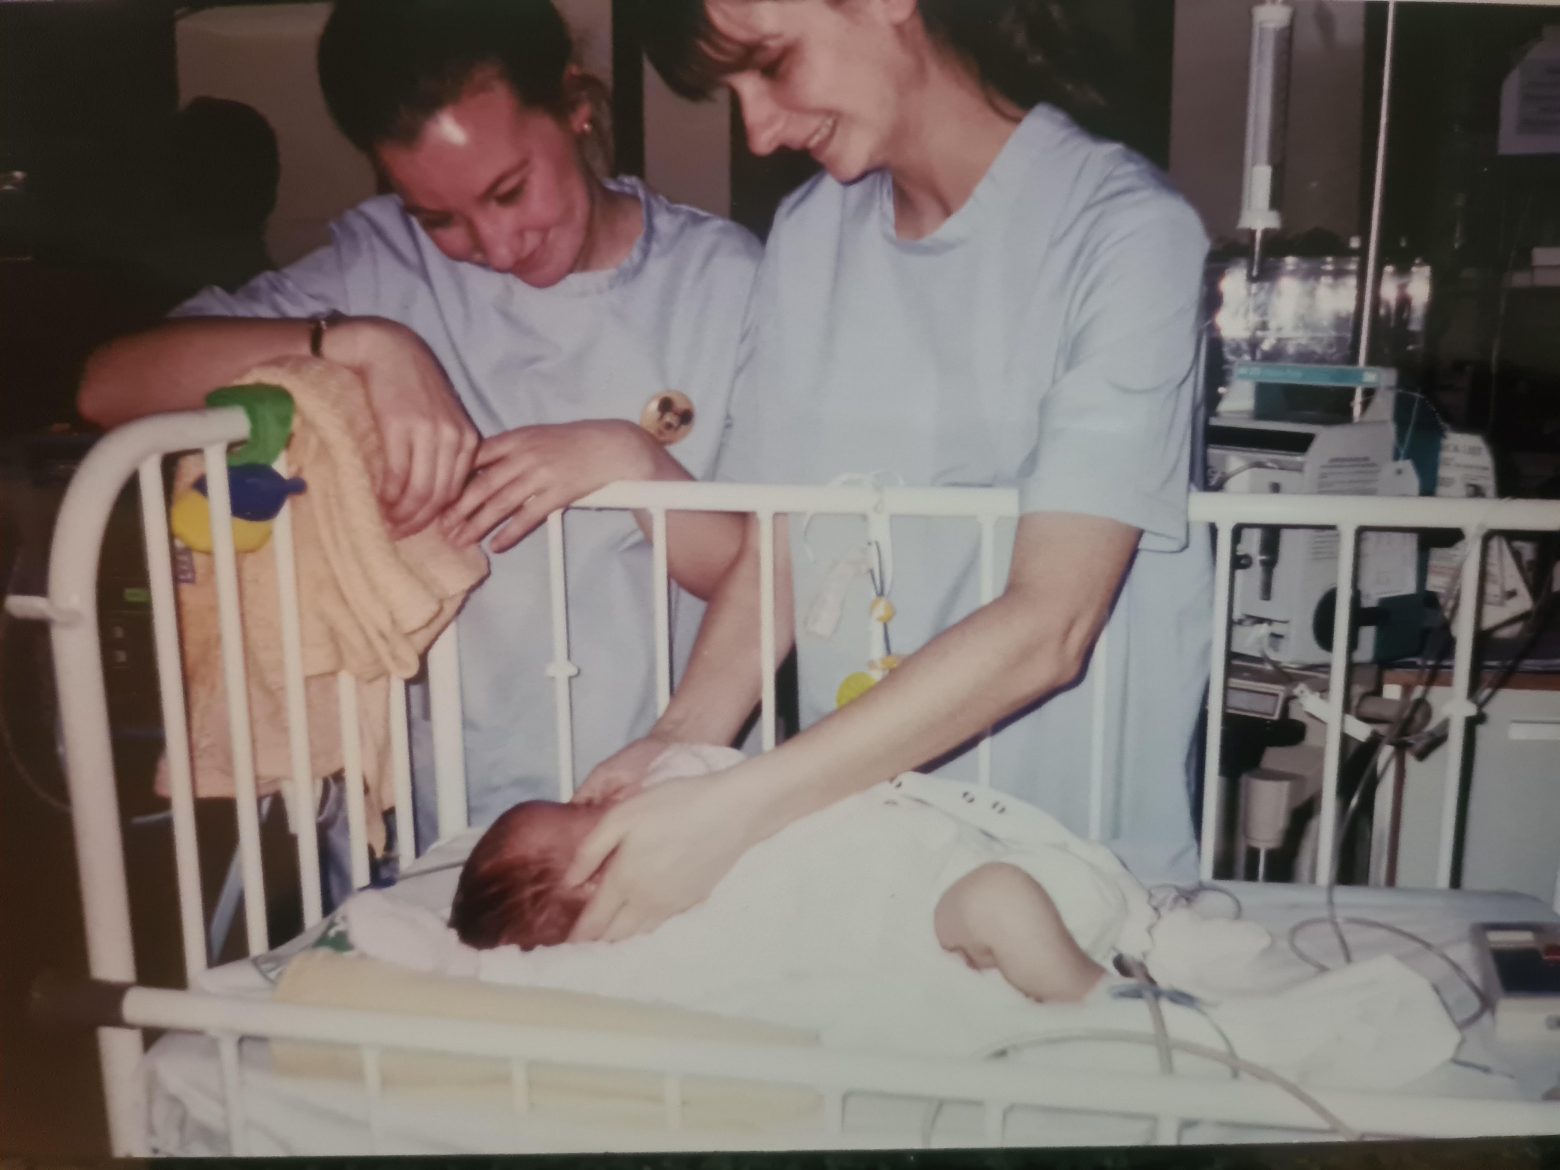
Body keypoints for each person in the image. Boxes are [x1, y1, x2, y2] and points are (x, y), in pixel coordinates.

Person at [77, 0, 760, 900]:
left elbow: (761, 575)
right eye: (439, 217)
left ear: (575, 105)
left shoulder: (720, 283)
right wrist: (360, 344)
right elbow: (108, 385)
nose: (495, 246)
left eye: (510, 190)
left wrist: (635, 465)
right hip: (424, 832)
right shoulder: (379, 271)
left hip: (648, 811)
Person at [564, 0, 1213, 942]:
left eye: (772, 65)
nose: (759, 131)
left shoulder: (1122, 233)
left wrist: (736, 807)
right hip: (869, 856)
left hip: (1072, 871)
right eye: (731, 93)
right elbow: (782, 547)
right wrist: (675, 748)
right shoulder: (809, 238)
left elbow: (1052, 623)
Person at [446, 745, 1141, 1005]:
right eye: (582, 815)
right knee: (998, 901)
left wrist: (654, 760)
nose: (595, 800)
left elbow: (703, 765)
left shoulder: (681, 802)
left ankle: (1112, 981)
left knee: (1005, 894)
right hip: (939, 932)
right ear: (594, 882)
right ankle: (1111, 1011)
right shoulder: (666, 943)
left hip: (964, 875)